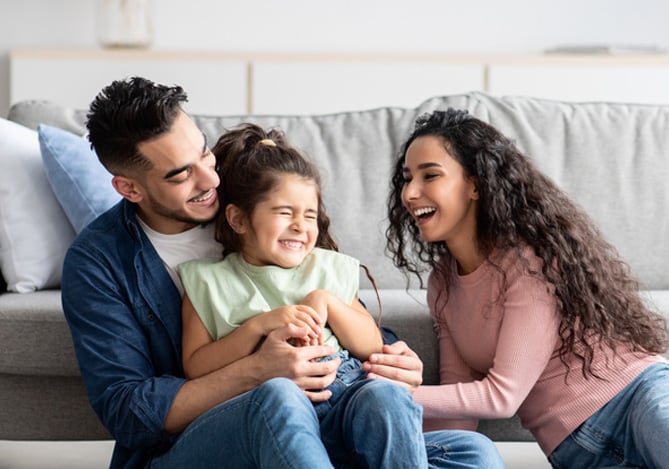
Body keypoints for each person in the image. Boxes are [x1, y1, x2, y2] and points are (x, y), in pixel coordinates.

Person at [61, 77, 504, 469]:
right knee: (279, 396)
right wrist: (259, 369)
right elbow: (129, 410)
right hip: (204, 440)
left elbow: (337, 307)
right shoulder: (99, 263)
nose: (210, 180)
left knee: (475, 453)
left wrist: (390, 358)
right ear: (129, 187)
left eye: (203, 154)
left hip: (329, 417)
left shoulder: (252, 194)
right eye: (181, 176)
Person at [380, 108, 669, 468]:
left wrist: (397, 393)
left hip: (638, 400)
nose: (410, 193)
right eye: (407, 179)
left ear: (475, 184)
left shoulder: (526, 260)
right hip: (576, 451)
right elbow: (460, 414)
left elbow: (503, 397)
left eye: (430, 176)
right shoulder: (442, 285)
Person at [178, 122, 428, 467]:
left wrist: (327, 302)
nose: (301, 225)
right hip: (274, 415)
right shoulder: (208, 282)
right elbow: (195, 365)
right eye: (284, 213)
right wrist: (257, 327)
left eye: (309, 215)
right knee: (282, 398)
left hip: (347, 398)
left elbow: (371, 345)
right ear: (237, 219)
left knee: (389, 397)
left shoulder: (328, 269)